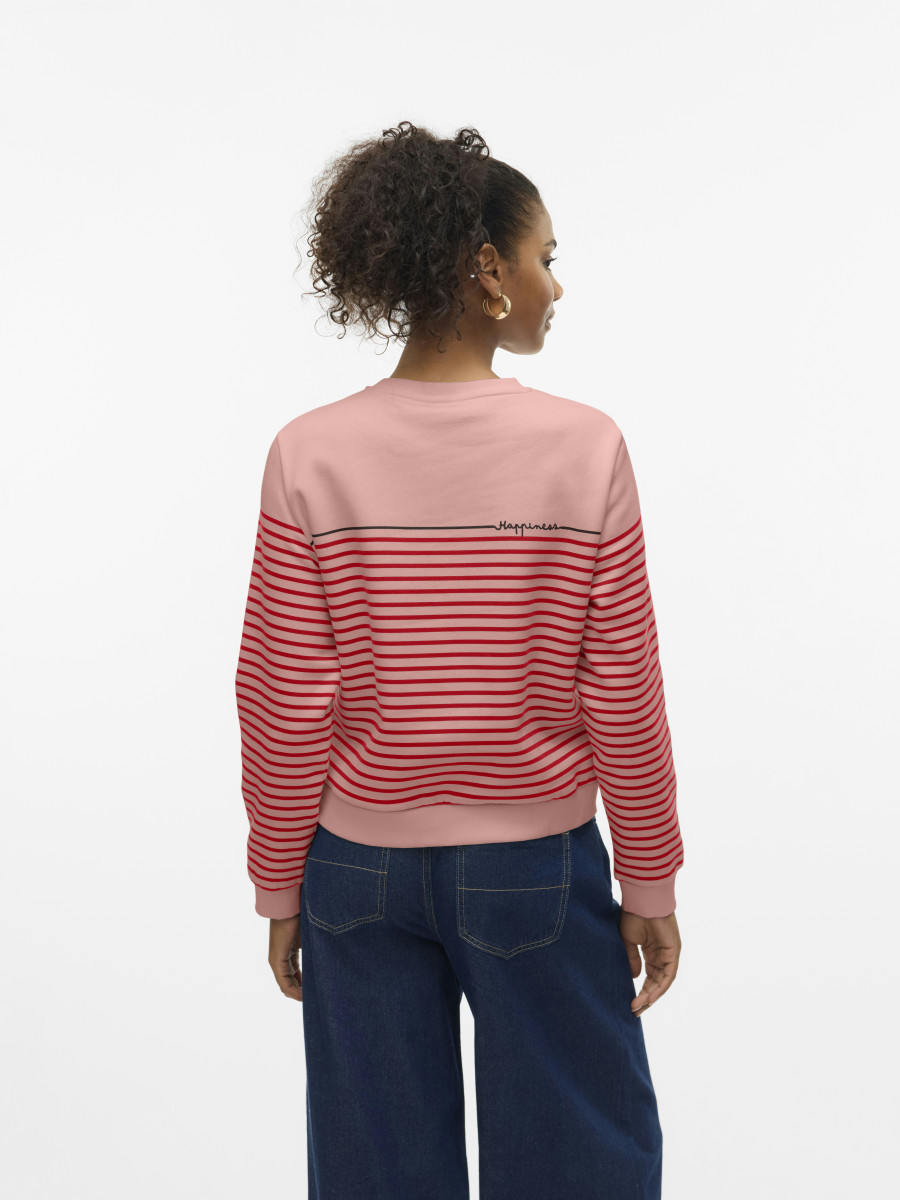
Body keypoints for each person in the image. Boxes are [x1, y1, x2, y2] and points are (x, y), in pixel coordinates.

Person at [234, 120, 684, 1199]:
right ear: (488, 269)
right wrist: (650, 875)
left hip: (355, 872)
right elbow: (622, 684)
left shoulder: (310, 452)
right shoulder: (583, 446)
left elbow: (283, 695)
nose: (554, 287)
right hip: (535, 868)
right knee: (579, 1162)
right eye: (545, 259)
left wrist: (279, 881)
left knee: (376, 1172)